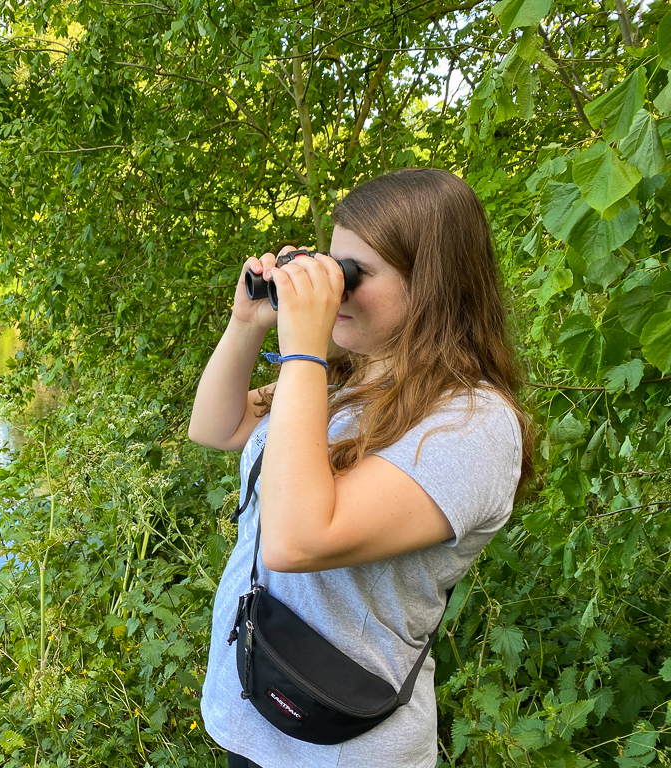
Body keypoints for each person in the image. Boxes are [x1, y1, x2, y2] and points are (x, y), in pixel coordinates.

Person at [187, 168, 534, 768]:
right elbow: (215, 426)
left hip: (343, 742)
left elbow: (298, 540)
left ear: (431, 284)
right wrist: (247, 324)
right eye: (330, 267)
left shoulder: (473, 425)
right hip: (255, 711)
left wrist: (304, 351)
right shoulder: (352, 376)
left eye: (353, 275)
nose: (334, 291)